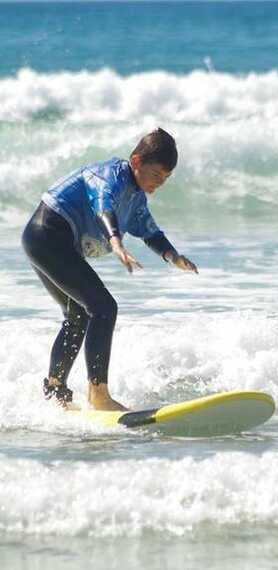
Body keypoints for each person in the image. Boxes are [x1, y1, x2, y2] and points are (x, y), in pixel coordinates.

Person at [22, 127, 198, 411]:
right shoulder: (109, 177)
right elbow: (103, 205)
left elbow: (150, 231)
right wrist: (115, 241)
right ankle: (98, 395)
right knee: (104, 307)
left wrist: (172, 256)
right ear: (137, 161)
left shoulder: (136, 198)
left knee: (78, 314)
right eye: (156, 175)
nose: (159, 183)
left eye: (165, 179)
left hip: (44, 240)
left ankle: (55, 391)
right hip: (48, 233)